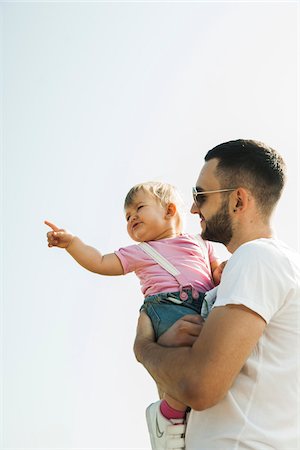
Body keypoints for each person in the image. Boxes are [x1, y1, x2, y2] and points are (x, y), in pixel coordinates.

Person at [134, 139, 300, 450]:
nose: (194, 208)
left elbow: (199, 385)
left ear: (238, 201)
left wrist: (143, 348)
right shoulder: (265, 266)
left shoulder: (257, 258)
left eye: (201, 195)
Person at [45, 181, 225, 450]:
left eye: (139, 208)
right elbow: (100, 262)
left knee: (208, 362)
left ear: (170, 210)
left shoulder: (201, 244)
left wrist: (225, 270)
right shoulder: (141, 252)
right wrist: (73, 244)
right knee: (181, 358)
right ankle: (169, 416)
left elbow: (216, 273)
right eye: (127, 217)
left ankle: (179, 414)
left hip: (203, 306)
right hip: (166, 308)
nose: (132, 218)